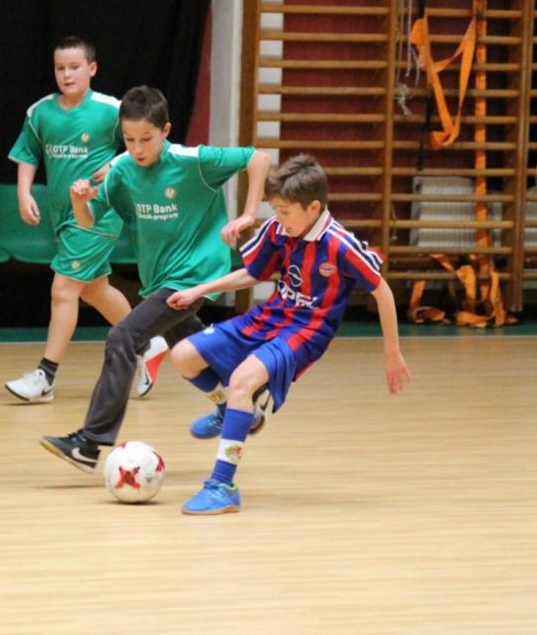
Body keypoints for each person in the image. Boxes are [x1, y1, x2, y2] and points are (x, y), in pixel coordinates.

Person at [40, 85, 271, 472]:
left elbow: (258, 158)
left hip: (195, 276)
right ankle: (243, 401)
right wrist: (80, 202)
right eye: (129, 139)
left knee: (123, 336)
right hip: (159, 281)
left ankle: (90, 443)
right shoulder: (122, 171)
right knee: (194, 350)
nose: (137, 148)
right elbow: (89, 220)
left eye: (146, 138)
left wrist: (249, 214)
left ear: (166, 130)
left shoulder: (192, 161)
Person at [167, 153, 412, 515]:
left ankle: (222, 486)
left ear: (313, 208)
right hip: (271, 316)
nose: (278, 218)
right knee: (183, 356)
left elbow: (383, 292)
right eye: (275, 210)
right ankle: (230, 411)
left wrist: (391, 352)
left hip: (306, 331)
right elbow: (253, 273)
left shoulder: (340, 245)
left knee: (242, 382)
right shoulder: (279, 229)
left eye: (284, 211)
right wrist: (199, 290)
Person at [5, 36, 167, 404]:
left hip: (99, 214)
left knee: (63, 289)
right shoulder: (40, 112)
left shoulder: (111, 110)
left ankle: (45, 376)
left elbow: (143, 143)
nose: (67, 74)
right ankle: (147, 343)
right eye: (60, 68)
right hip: (62, 216)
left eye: (74, 67)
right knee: (94, 289)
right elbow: (27, 153)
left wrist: (117, 163)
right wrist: (24, 192)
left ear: (91, 69)